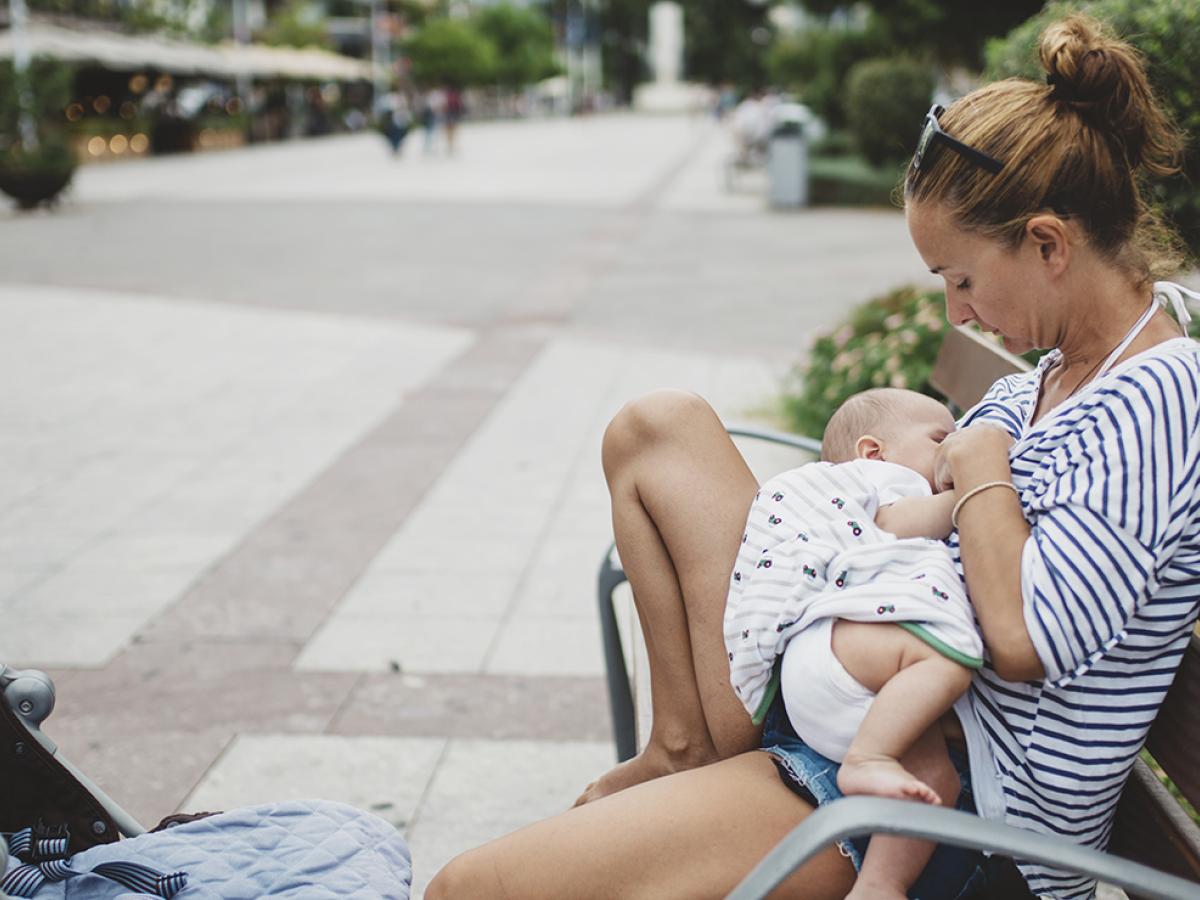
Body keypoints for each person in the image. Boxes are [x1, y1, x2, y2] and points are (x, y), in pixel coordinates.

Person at [427, 14, 1200, 900]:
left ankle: (707, 763)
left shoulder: (1159, 399)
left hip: (938, 805)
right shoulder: (1048, 376)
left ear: (1048, 244)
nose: (956, 315)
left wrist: (982, 458)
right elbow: (930, 506)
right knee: (659, 428)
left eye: (961, 280)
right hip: (850, 680)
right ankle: (684, 746)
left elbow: (1027, 639)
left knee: (470, 890)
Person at [724, 387, 980, 900]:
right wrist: (974, 494)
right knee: (947, 661)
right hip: (835, 658)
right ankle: (868, 759)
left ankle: (881, 885)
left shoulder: (885, 472)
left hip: (845, 691)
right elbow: (894, 523)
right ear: (872, 452)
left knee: (936, 781)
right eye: (939, 438)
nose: (953, 449)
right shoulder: (884, 480)